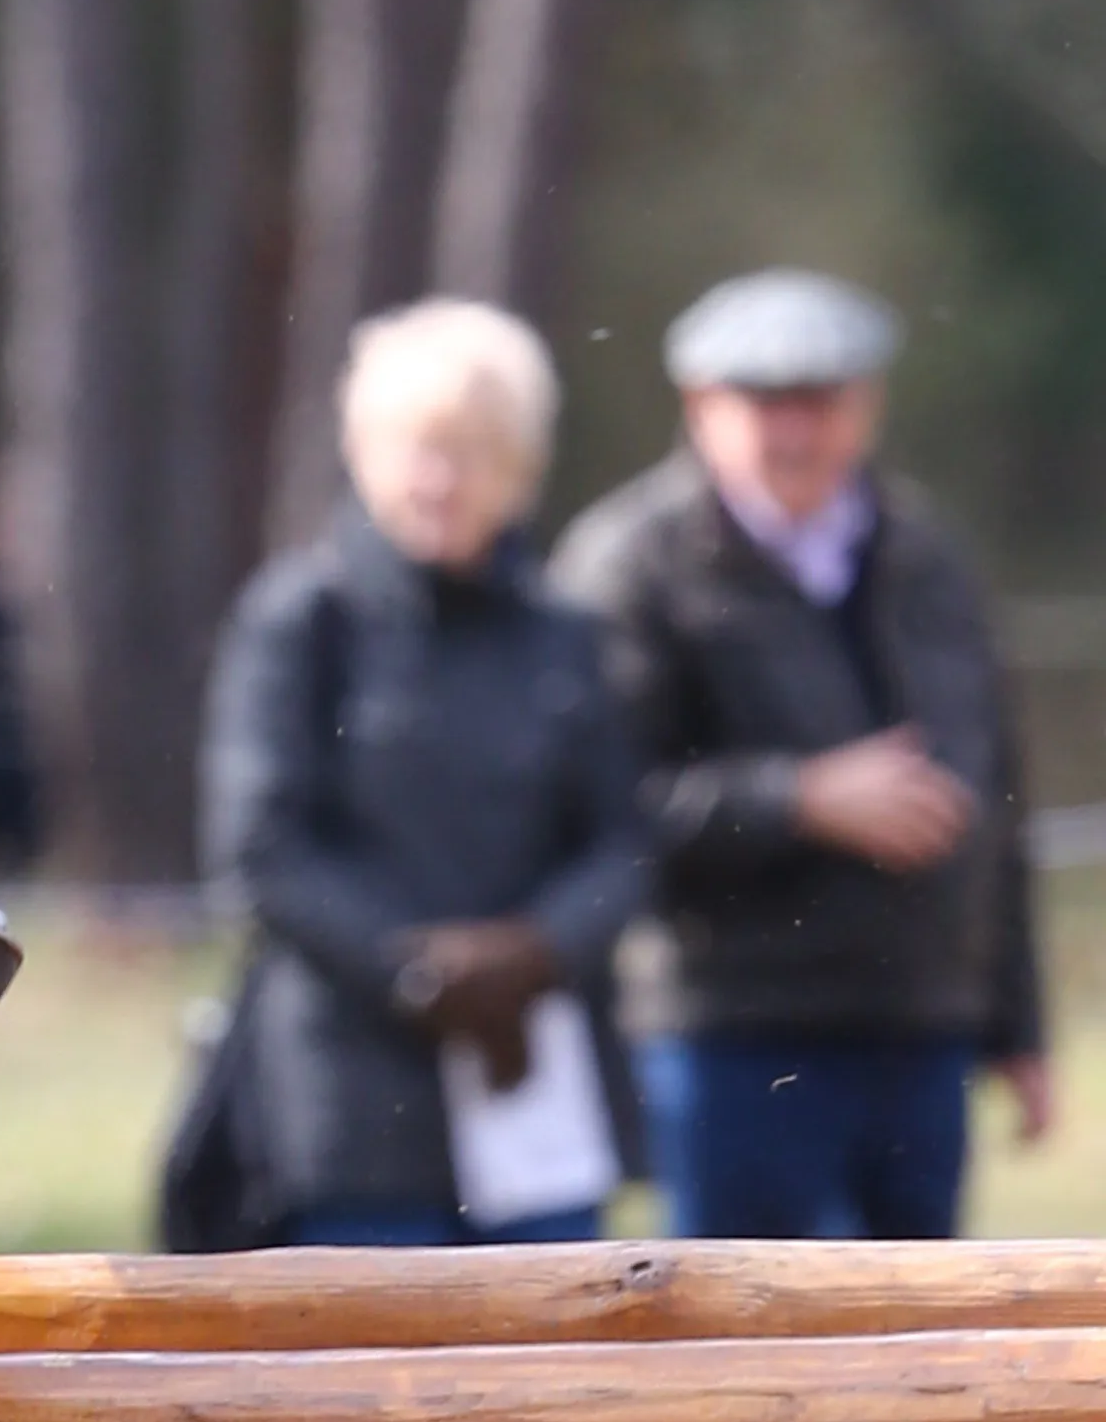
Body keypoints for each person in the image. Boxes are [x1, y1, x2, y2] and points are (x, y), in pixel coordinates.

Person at [550, 269, 1048, 1239]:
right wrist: (798, 800)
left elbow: (1001, 797)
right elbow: (600, 808)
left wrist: (1016, 1025)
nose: (794, 431)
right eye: (765, 401)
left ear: (868, 404)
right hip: (732, 1033)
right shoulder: (631, 566)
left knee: (918, 1327)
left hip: (919, 1028)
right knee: (742, 1320)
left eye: (819, 400)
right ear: (701, 404)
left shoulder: (929, 556)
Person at [177, 298, 646, 1247]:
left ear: (520, 468)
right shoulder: (300, 622)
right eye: (417, 449)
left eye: (470, 452)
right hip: (348, 1107)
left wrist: (534, 954)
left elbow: (622, 844)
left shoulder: (566, 636)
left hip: (531, 1095)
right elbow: (261, 851)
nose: (439, 480)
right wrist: (419, 974)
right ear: (363, 453)